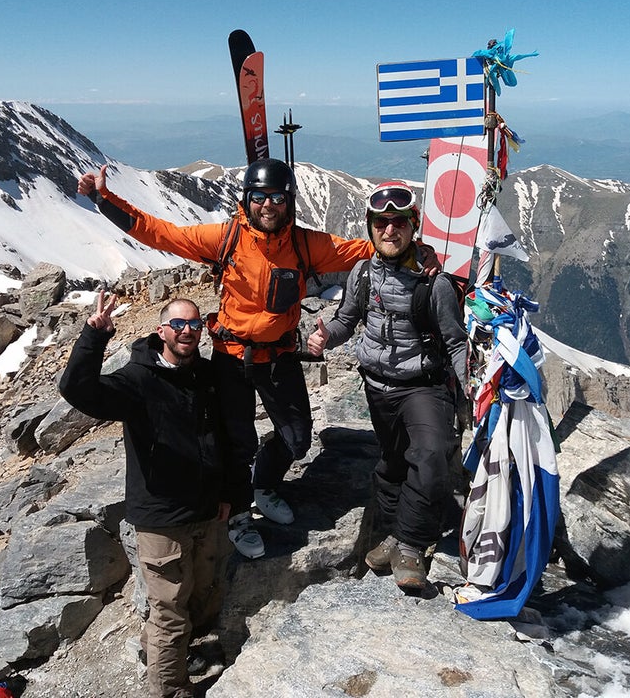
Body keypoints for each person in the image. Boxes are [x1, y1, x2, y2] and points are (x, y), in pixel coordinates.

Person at [76, 158, 384, 560]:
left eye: (276, 197)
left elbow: (371, 248)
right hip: (230, 357)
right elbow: (160, 233)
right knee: (237, 443)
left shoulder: (308, 246)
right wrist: (105, 200)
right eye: (259, 197)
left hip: (278, 357)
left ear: (289, 201)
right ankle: (239, 513)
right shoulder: (225, 238)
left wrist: (420, 249)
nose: (267, 205)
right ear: (247, 199)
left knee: (297, 439)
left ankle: (265, 485)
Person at [58, 294, 232, 698]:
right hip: (161, 517)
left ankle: (167, 651)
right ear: (161, 331)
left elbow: (222, 439)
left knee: (200, 595)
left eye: (193, 325)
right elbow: (78, 390)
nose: (186, 331)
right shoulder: (138, 379)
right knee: (170, 610)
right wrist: (93, 338)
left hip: (205, 509)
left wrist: (228, 493)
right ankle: (169, 688)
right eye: (177, 324)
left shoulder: (205, 375)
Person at [307, 181, 468, 590]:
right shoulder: (362, 272)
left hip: (422, 385)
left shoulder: (436, 283)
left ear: (413, 227)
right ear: (371, 227)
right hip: (376, 385)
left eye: (399, 223)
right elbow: (348, 318)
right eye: (381, 223)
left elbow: (454, 340)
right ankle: (396, 533)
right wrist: (327, 335)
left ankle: (411, 543)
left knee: (431, 456)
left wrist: (468, 394)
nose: (389, 230)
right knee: (394, 463)